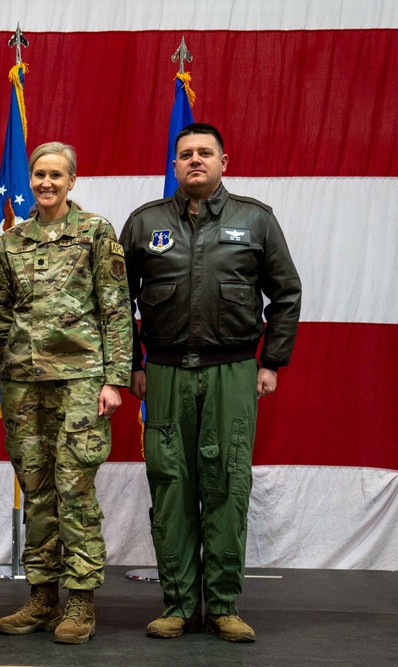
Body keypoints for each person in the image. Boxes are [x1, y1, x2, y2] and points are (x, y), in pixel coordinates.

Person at [120, 123, 301, 642]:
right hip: (165, 371)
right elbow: (117, 302)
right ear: (174, 166)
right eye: (185, 155)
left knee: (227, 485)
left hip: (233, 369)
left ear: (225, 160)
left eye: (205, 153)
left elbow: (286, 293)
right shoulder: (144, 222)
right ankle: (178, 604)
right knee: (172, 484)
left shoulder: (256, 219)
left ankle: (223, 605)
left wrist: (272, 362)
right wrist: (132, 363)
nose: (195, 161)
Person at [0, 142, 133, 645]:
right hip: (23, 381)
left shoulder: (95, 232)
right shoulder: (13, 240)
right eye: (39, 175)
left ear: (73, 180)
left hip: (80, 380)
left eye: (56, 175)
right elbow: (3, 312)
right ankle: (41, 596)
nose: (46, 183)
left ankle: (80, 601)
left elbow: (115, 308)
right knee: (36, 489)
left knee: (74, 489)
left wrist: (115, 379)